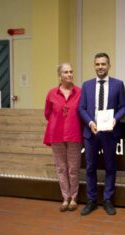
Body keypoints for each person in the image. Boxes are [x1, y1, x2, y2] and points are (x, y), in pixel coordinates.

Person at [78, 53, 125, 216]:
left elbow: (123, 107)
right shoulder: (86, 85)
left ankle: (107, 199)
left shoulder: (118, 84)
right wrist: (90, 123)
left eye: (103, 64)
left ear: (109, 66)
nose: (100, 67)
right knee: (90, 167)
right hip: (91, 132)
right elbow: (82, 108)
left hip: (110, 133)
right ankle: (91, 200)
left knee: (110, 167)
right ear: (94, 66)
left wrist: (115, 119)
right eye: (97, 64)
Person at [43, 63, 82, 212]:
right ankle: (65, 197)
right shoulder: (51, 93)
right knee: (61, 168)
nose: (69, 74)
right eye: (66, 72)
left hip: (74, 134)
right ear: (60, 76)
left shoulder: (79, 92)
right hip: (56, 135)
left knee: (73, 168)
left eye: (71, 71)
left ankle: (74, 197)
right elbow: (47, 113)